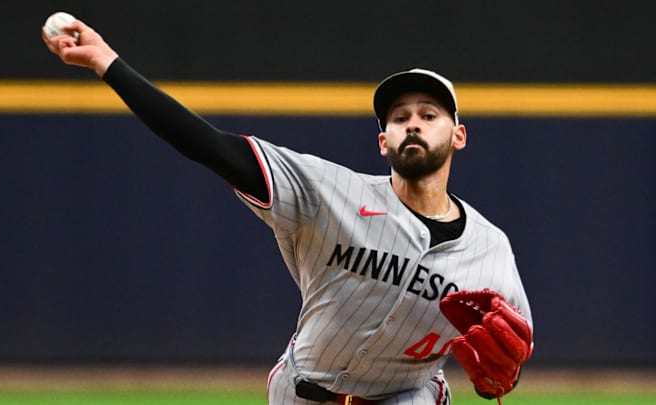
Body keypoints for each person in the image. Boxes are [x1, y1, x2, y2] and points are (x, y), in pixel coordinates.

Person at [42, 17, 533, 405]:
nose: (413, 125)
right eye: (399, 118)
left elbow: (513, 345)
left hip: (407, 396)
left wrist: (501, 376)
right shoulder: (327, 191)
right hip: (302, 391)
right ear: (382, 142)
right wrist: (109, 63)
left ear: (458, 135)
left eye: (429, 115)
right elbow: (209, 146)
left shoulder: (490, 249)